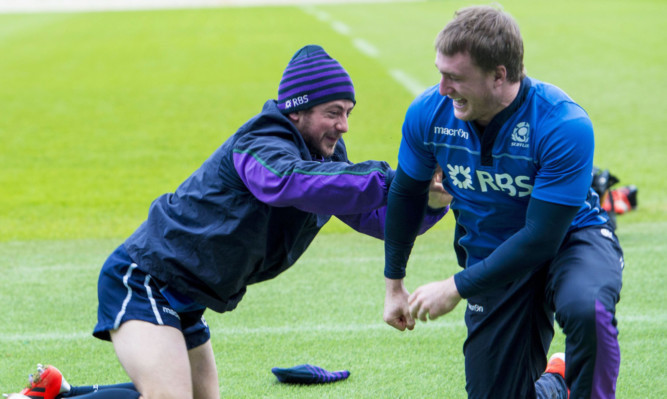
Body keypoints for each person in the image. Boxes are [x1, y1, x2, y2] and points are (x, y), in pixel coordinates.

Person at [88, 44, 450, 399]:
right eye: (333, 112)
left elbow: (376, 219)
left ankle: (57, 393)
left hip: (189, 299)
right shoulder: (259, 144)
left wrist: (427, 204)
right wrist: (396, 181)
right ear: (297, 111)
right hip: (143, 279)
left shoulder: (323, 158)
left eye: (348, 113)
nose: (344, 126)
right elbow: (287, 181)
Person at [381, 5, 623, 399]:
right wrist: (394, 285)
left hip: (570, 240)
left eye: (455, 78)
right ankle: (556, 382)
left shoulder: (562, 123)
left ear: (499, 75)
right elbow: (406, 194)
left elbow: (542, 238)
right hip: (493, 254)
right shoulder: (428, 113)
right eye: (440, 73)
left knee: (586, 307)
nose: (442, 88)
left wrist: (456, 286)